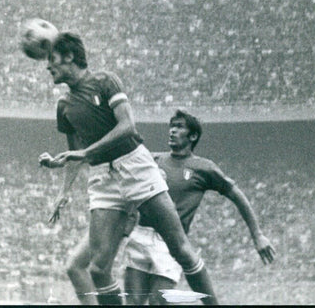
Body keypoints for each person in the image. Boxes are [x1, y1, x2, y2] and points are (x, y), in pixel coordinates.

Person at [38, 32, 218, 305]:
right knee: (98, 269)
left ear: (70, 56)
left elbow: (127, 127)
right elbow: (74, 153)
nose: (48, 66)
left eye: (52, 59)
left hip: (134, 164)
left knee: (180, 248)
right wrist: (63, 191)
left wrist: (86, 152)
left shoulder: (104, 81)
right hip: (101, 177)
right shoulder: (64, 106)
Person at [122, 109, 276, 304]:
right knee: (132, 302)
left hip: (170, 242)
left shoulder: (203, 168)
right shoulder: (154, 160)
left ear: (193, 136)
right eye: (172, 126)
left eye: (179, 127)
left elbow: (237, 195)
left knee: (158, 302)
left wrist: (258, 235)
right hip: (140, 235)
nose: (172, 131)